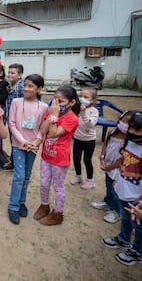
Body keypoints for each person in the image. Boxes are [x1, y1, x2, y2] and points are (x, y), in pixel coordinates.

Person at [33, 86, 80, 226]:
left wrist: (53, 116)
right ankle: (44, 205)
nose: (56, 104)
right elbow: (43, 130)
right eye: (55, 100)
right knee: (43, 183)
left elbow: (53, 133)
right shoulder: (53, 112)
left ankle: (58, 213)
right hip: (46, 156)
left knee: (58, 187)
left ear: (72, 103)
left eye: (61, 101)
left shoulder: (72, 119)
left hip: (60, 159)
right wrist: (52, 115)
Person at [102, 111, 142, 266]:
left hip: (136, 198)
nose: (132, 132)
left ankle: (137, 252)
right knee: (125, 219)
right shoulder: (130, 144)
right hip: (123, 190)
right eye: (131, 128)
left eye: (137, 130)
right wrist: (118, 180)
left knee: (138, 226)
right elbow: (123, 163)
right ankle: (124, 239)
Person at [7, 74, 48, 224]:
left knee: (27, 175)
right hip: (19, 145)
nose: (25, 88)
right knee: (19, 175)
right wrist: (23, 141)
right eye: (25, 85)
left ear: (39, 89)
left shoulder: (44, 107)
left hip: (33, 147)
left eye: (30, 86)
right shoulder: (17, 102)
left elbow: (43, 127)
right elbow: (11, 124)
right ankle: (13, 206)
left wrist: (36, 142)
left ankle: (21, 201)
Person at [91, 111, 134, 223]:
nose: (125, 124)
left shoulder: (130, 141)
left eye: (129, 123)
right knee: (108, 184)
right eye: (124, 120)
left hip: (117, 168)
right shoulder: (112, 131)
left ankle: (115, 211)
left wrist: (110, 167)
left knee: (116, 190)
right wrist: (102, 158)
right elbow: (106, 145)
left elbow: (124, 159)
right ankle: (107, 201)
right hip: (108, 165)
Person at [70, 87, 99, 190]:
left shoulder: (94, 111)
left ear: (93, 100)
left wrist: (83, 113)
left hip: (89, 140)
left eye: (86, 97)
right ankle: (78, 176)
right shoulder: (76, 108)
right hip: (77, 138)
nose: (82, 98)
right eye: (80, 96)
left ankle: (90, 180)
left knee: (87, 160)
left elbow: (91, 125)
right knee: (76, 158)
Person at [3, 63, 25, 171]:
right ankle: (14, 162)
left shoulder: (21, 88)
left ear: (20, 75)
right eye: (9, 72)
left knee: (18, 142)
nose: (9, 75)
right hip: (11, 119)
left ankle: (18, 164)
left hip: (19, 120)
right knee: (13, 141)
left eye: (13, 73)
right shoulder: (11, 86)